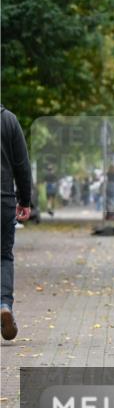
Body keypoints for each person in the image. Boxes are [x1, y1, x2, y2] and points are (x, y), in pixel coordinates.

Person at [1, 105, 33, 341]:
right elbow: (21, 164)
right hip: (3, 200)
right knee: (3, 256)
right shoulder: (9, 120)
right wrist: (25, 200)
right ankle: (4, 304)